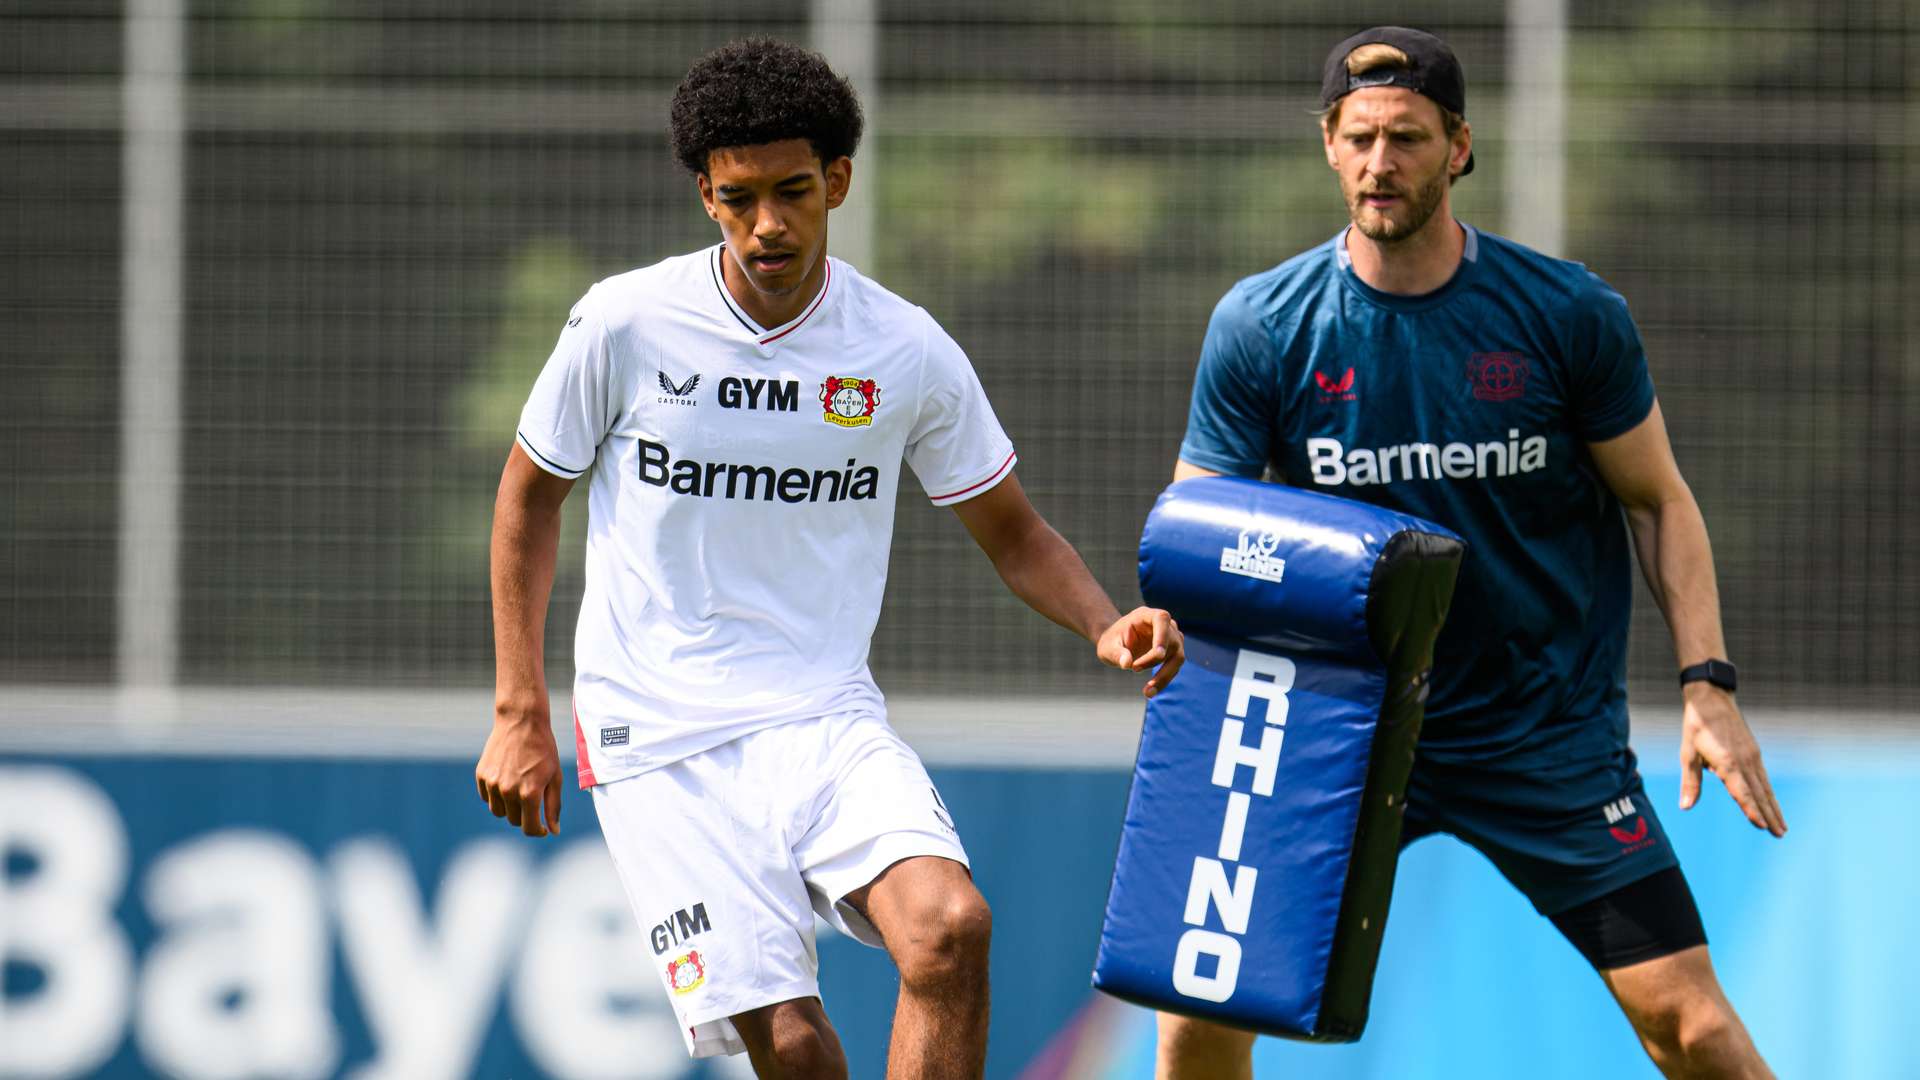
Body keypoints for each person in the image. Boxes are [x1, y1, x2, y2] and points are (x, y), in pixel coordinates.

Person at [473, 37, 1183, 1080]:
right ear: (705, 195)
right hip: (661, 734)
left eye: (795, 190)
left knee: (949, 928)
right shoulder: (623, 323)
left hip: (824, 715)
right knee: (797, 1050)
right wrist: (519, 709)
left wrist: (1101, 620)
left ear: (837, 181)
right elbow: (531, 498)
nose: (770, 223)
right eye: (741, 196)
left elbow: (1015, 529)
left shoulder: (903, 350)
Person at [1162, 26, 1784, 1080]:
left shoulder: (1566, 314)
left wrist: (1706, 683)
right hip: (1338, 733)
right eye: (1359, 136)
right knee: (1198, 1021)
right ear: (1326, 142)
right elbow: (1200, 531)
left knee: (1690, 1025)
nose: (1380, 162)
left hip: (1540, 738)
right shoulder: (1263, 326)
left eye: (1407, 137)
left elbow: (1660, 502)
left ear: (1458, 147)